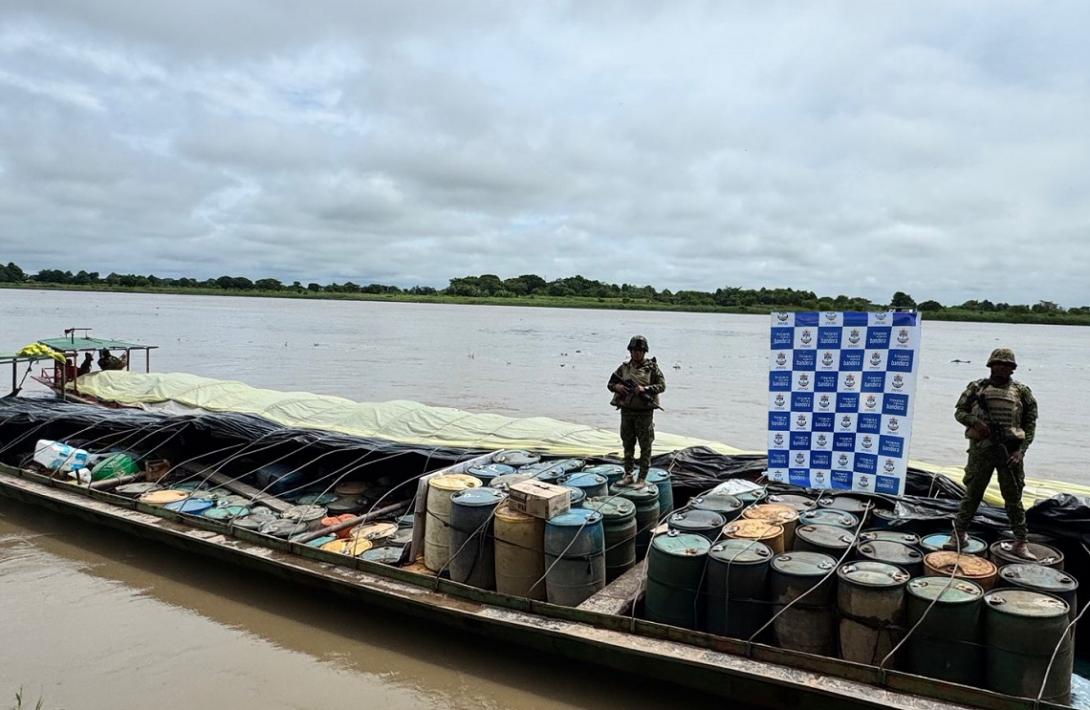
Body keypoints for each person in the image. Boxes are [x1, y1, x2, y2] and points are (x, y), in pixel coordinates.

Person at [946, 348, 1038, 559]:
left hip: (1010, 452)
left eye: (1007, 365)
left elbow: (1029, 425)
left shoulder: (1022, 392)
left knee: (1013, 498)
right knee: (972, 495)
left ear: (1013, 369)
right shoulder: (977, 388)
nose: (1003, 368)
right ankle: (958, 534)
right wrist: (975, 422)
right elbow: (959, 411)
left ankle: (1021, 542)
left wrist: (1021, 451)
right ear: (991, 365)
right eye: (999, 364)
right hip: (981, 450)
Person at [607, 335, 666, 486]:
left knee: (645, 446)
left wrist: (644, 389)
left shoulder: (652, 369)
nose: (637, 353)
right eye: (634, 350)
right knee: (628, 444)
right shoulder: (624, 368)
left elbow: (662, 386)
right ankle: (628, 475)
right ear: (630, 351)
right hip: (627, 412)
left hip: (644, 414)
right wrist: (617, 387)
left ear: (644, 352)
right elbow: (610, 383)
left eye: (640, 351)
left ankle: (642, 478)